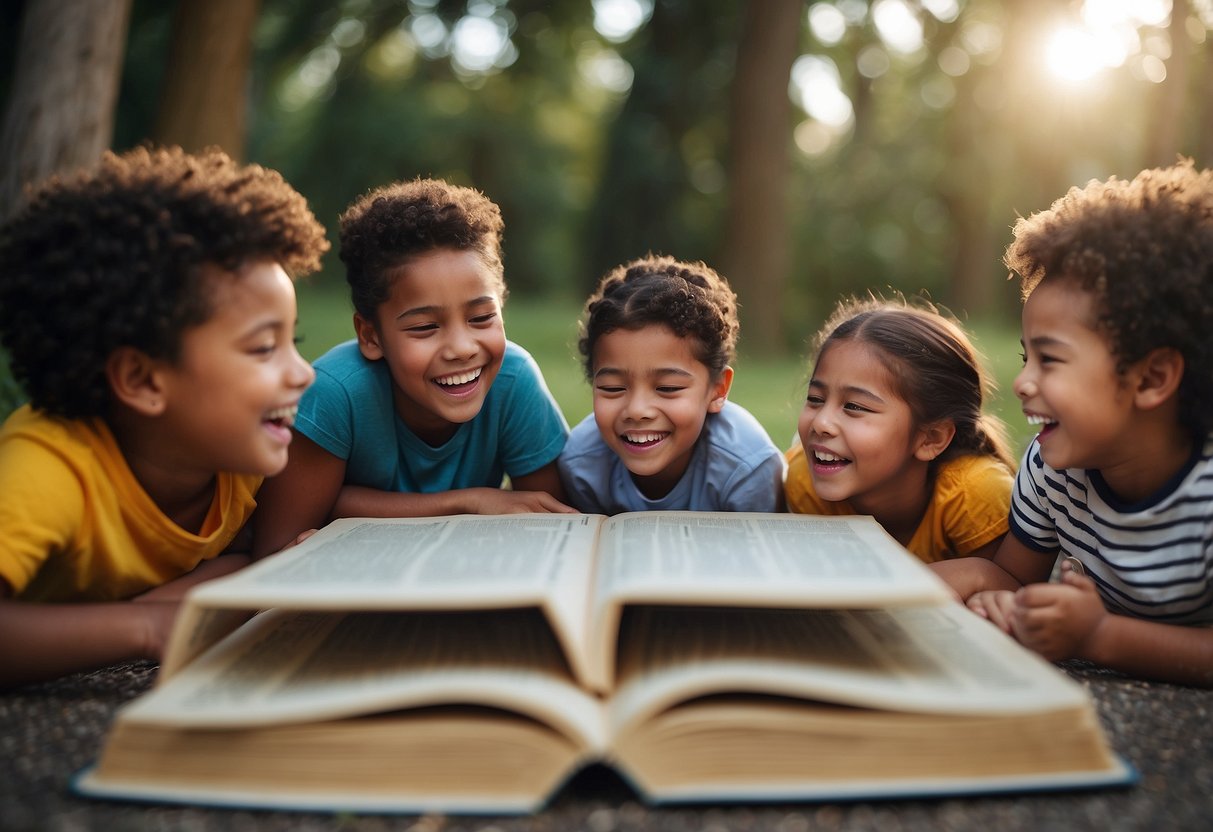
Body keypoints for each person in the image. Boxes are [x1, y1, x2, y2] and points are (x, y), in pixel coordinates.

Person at [0, 146, 329, 688]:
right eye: (263, 349)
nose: (304, 373)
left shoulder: (238, 454)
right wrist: (146, 625)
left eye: (291, 342)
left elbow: (256, 551)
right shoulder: (47, 469)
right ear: (144, 380)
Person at [933, 161, 1213, 687]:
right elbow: (1014, 576)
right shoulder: (1054, 466)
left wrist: (1098, 638)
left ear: (1152, 378)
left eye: (1050, 360)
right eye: (1025, 357)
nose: (1021, 383)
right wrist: (948, 586)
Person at [252, 178, 573, 556]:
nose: (461, 348)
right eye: (425, 327)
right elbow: (275, 549)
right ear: (371, 336)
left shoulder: (513, 380)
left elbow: (555, 523)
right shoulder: (336, 393)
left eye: (482, 317)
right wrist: (465, 502)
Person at [785, 296, 1015, 563]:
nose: (821, 423)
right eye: (815, 399)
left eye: (855, 406)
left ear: (931, 437)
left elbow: (1005, 584)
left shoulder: (976, 496)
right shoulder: (805, 481)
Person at [557, 254, 784, 514]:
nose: (638, 410)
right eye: (613, 388)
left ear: (718, 389)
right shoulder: (580, 464)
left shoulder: (747, 469)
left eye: (667, 388)